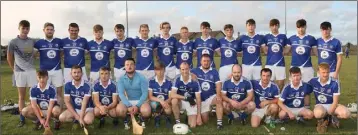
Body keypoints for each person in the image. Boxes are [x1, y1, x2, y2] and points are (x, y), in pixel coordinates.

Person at [7, 20, 38, 127]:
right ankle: (22, 119)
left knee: (33, 95)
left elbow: (36, 51)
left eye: (27, 28)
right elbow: (9, 57)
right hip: (19, 72)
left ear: (29, 29)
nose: (25, 30)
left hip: (31, 71)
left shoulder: (32, 41)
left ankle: (35, 116)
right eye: (23, 28)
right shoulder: (13, 42)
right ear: (19, 28)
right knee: (21, 97)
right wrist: (13, 70)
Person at [309, 63, 351, 133]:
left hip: (333, 104)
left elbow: (335, 102)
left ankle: (328, 119)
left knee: (346, 114)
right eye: (323, 72)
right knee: (318, 114)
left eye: (327, 72)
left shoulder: (335, 83)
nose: (325, 74)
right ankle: (330, 119)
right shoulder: (313, 81)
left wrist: (328, 116)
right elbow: (304, 90)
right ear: (318, 72)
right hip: (320, 105)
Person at [287, 19, 318, 109]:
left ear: (305, 27)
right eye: (299, 27)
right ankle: (294, 107)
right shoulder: (292, 38)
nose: (301, 29)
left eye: (302, 27)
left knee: (306, 89)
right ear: (297, 28)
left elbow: (316, 53)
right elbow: (286, 51)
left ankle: (306, 109)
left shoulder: (311, 39)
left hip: (307, 68)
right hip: (294, 67)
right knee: (293, 88)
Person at [34, 22, 64, 109]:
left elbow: (62, 52)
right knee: (44, 93)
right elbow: (34, 54)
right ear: (44, 30)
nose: (50, 31)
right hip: (44, 72)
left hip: (57, 71)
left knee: (58, 93)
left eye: (51, 30)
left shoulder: (59, 41)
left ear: (54, 31)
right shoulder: (39, 43)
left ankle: (58, 116)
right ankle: (45, 113)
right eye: (48, 29)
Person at [191, 54, 224, 129]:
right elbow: (184, 73)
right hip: (200, 100)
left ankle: (219, 123)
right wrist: (190, 74)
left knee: (219, 99)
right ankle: (209, 111)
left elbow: (218, 84)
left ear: (211, 62)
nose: (206, 63)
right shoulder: (194, 71)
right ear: (200, 62)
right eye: (204, 61)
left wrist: (218, 95)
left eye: (208, 61)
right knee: (205, 120)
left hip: (210, 98)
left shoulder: (214, 71)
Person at [117, 58, 151, 128]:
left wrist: (137, 106)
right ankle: (126, 120)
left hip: (140, 100)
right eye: (127, 65)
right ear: (125, 67)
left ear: (135, 66)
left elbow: (145, 93)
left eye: (131, 64)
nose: (129, 66)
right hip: (128, 100)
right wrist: (129, 105)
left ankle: (142, 119)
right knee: (119, 110)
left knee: (146, 111)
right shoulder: (121, 79)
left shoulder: (142, 77)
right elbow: (121, 94)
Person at [171, 62, 202, 128]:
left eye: (186, 69)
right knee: (174, 101)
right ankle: (177, 121)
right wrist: (186, 98)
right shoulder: (177, 78)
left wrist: (199, 115)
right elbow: (172, 94)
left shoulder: (195, 80)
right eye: (182, 69)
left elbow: (198, 98)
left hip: (191, 102)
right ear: (180, 70)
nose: (185, 71)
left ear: (189, 69)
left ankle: (188, 116)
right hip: (181, 101)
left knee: (193, 125)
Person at [263, 19, 289, 91]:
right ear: (270, 27)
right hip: (269, 64)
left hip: (280, 64)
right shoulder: (266, 37)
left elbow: (288, 47)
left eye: (276, 25)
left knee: (280, 84)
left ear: (278, 26)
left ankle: (279, 99)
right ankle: (270, 99)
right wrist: (265, 51)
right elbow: (263, 48)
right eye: (272, 26)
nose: (274, 27)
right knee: (268, 83)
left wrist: (284, 52)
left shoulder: (283, 36)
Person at [148, 61, 173, 128]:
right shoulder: (151, 81)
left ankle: (167, 118)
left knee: (168, 109)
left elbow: (170, 97)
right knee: (154, 104)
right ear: (155, 71)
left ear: (164, 70)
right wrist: (160, 101)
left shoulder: (169, 81)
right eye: (158, 70)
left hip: (166, 101)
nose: (160, 72)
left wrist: (164, 102)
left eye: (161, 70)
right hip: (156, 102)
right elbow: (150, 96)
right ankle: (157, 118)